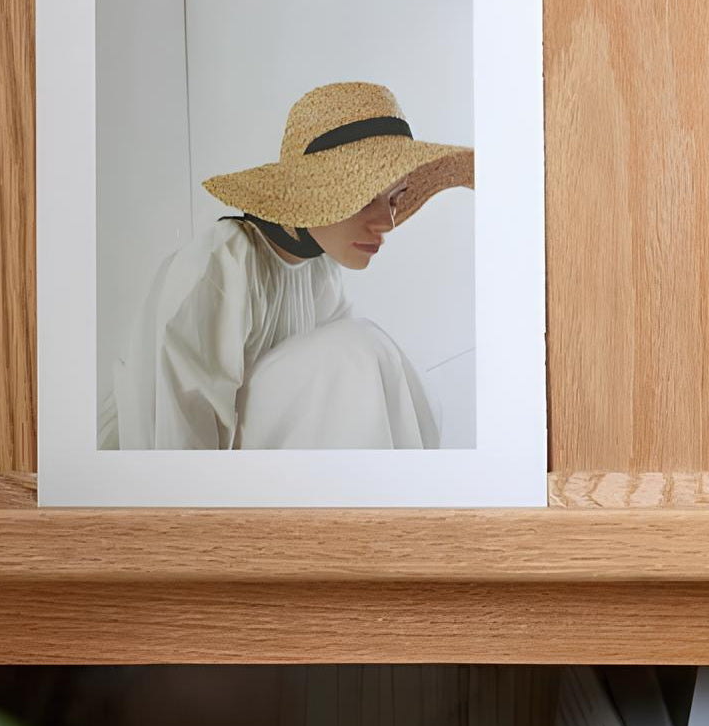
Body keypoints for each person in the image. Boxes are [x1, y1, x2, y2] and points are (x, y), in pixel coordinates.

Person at [114, 81, 474, 450]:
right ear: (310, 194)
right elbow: (169, 424)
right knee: (358, 355)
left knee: (386, 361)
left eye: (395, 199)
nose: (388, 222)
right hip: (186, 483)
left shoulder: (321, 273)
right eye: (367, 197)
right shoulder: (222, 262)